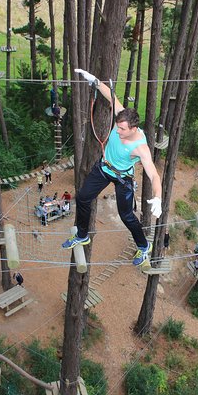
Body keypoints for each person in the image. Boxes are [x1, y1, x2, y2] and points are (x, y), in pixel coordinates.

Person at [62, 69, 163, 268]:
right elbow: (111, 96)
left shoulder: (140, 148)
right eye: (117, 127)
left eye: (122, 129)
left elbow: (154, 175)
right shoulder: (123, 118)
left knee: (126, 216)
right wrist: (95, 81)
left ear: (134, 129)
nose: (117, 131)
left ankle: (143, 246)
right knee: (83, 198)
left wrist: (158, 197)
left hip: (123, 178)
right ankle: (82, 235)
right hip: (104, 168)